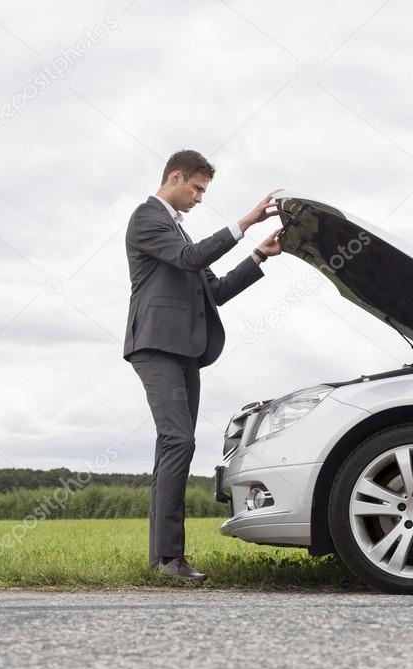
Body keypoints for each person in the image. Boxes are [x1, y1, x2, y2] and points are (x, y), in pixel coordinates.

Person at [122, 149, 284, 581]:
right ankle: (171, 558)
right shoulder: (147, 218)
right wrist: (245, 221)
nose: (198, 198)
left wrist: (258, 256)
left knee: (173, 446)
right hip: (156, 347)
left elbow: (217, 291)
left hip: (185, 350)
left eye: (203, 191)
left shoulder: (179, 234)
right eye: (196, 189)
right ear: (174, 177)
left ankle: (162, 560)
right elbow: (190, 261)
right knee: (179, 441)